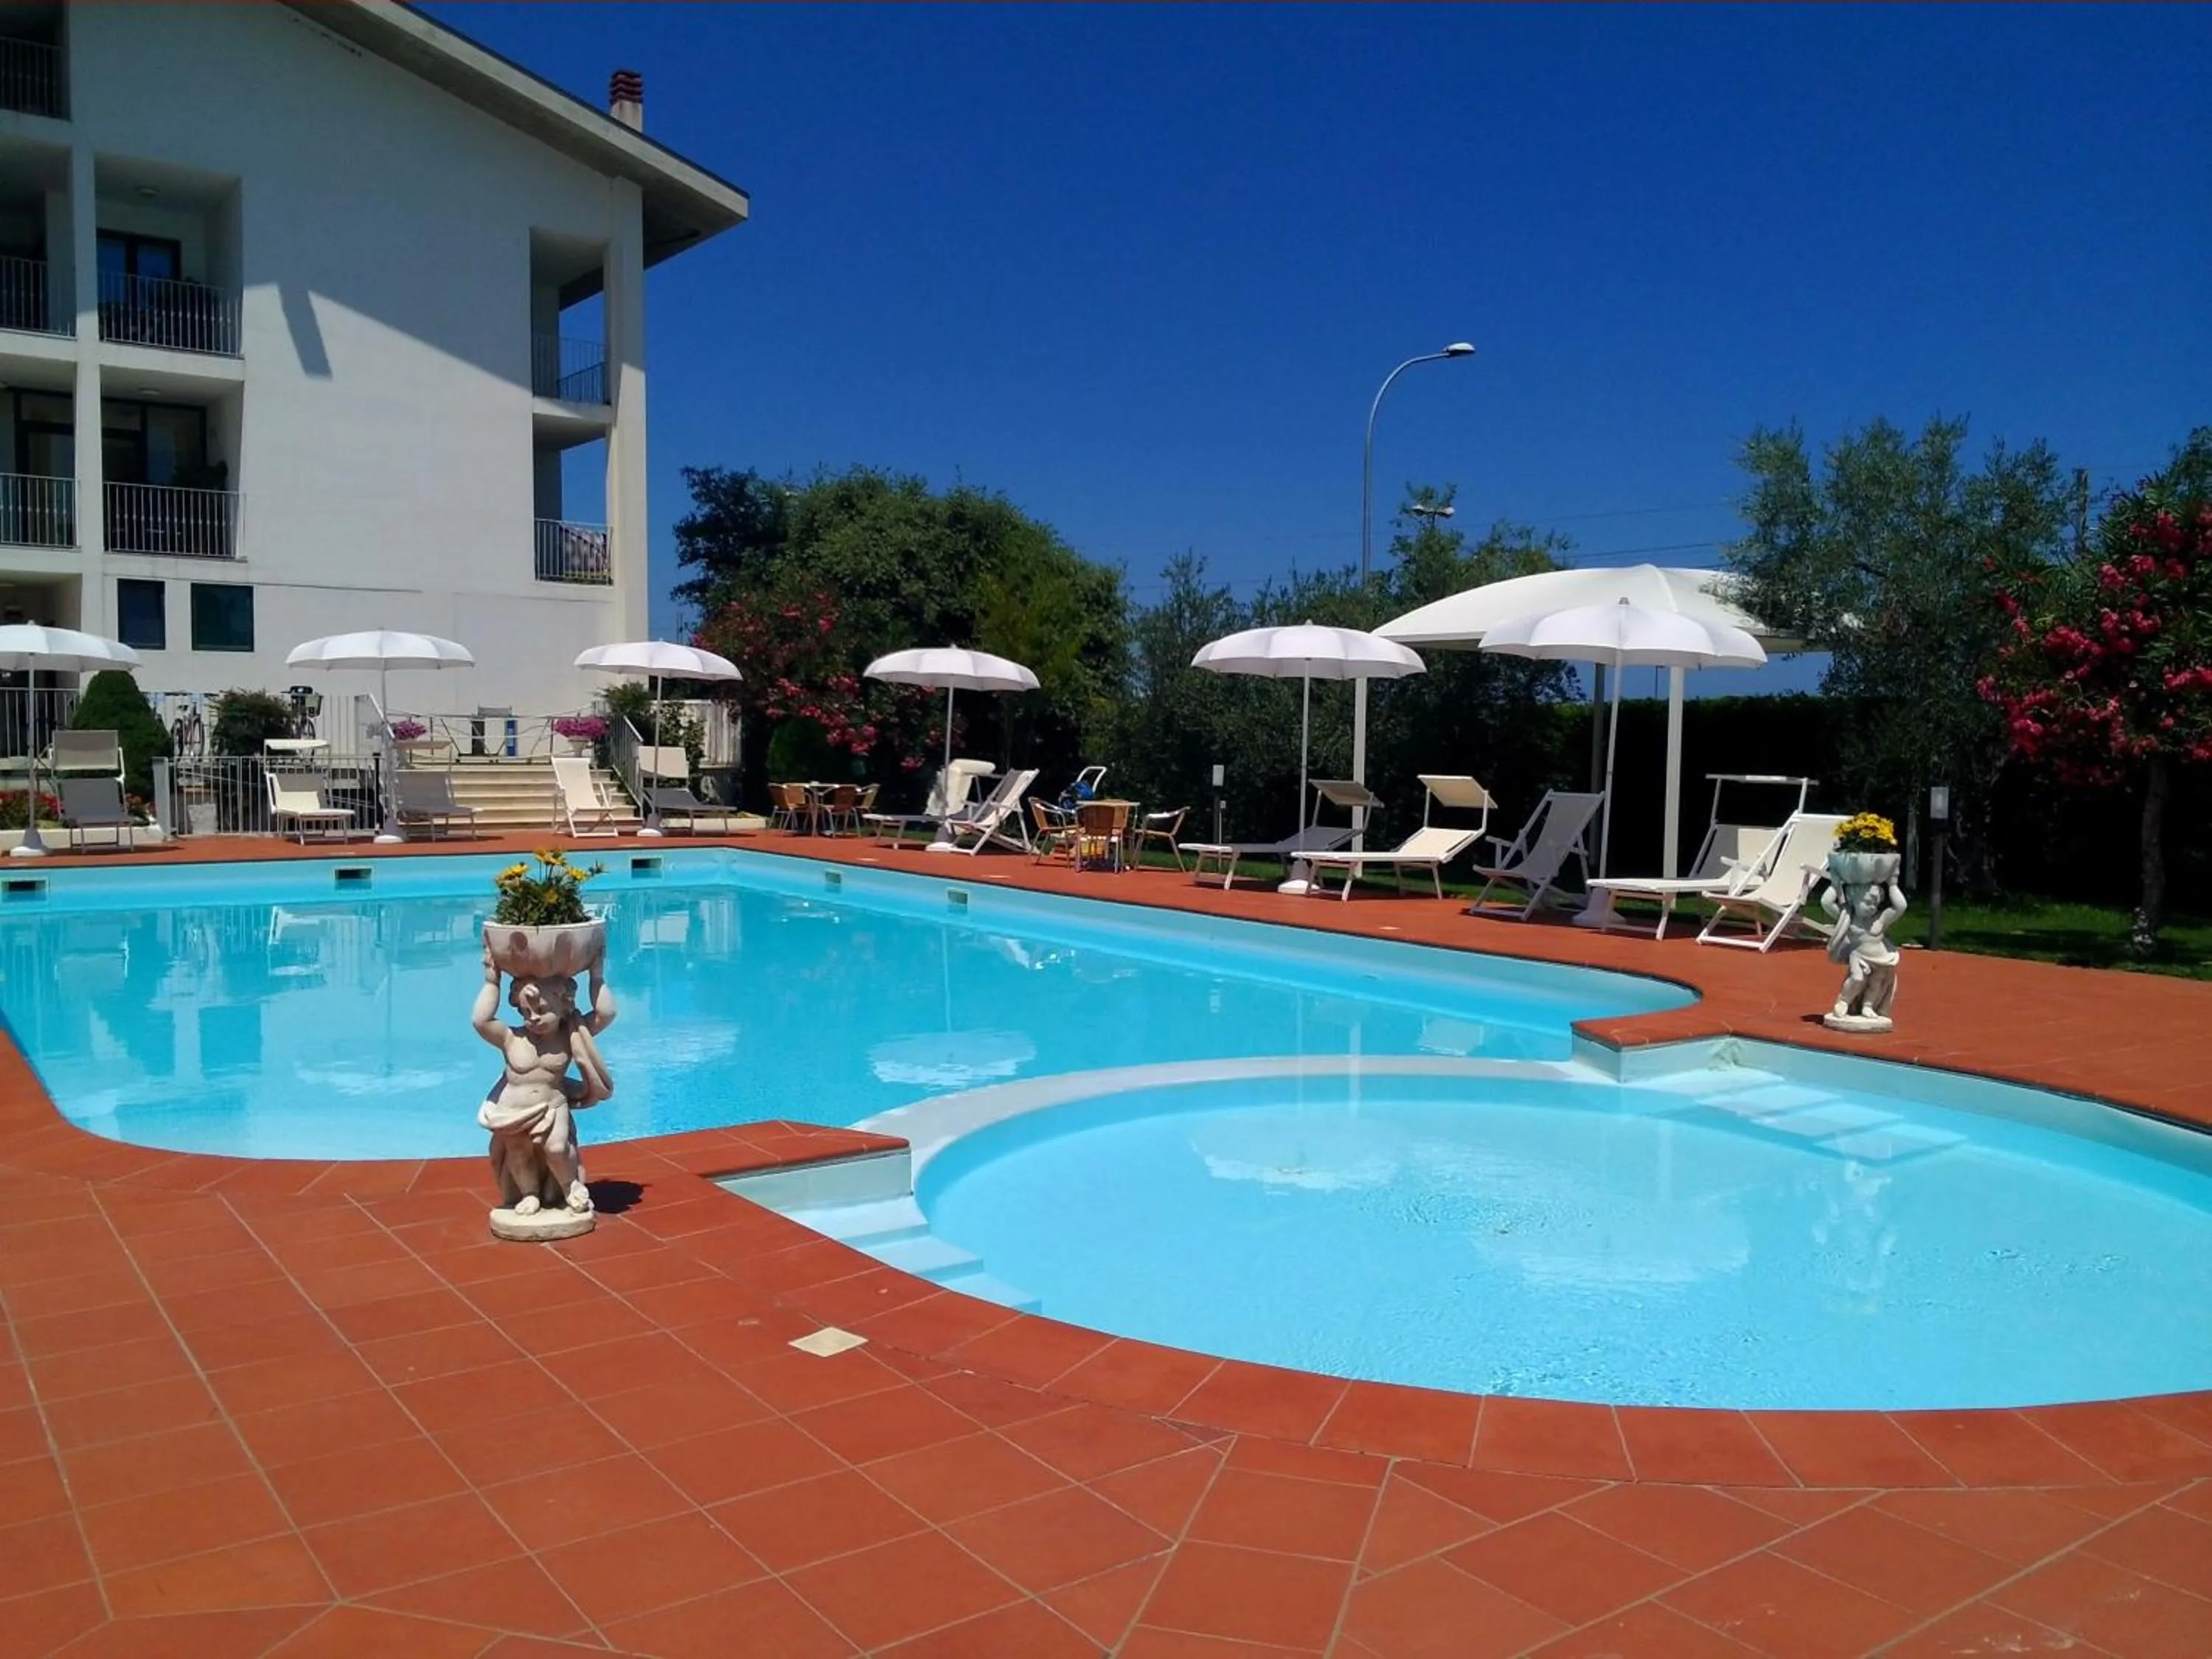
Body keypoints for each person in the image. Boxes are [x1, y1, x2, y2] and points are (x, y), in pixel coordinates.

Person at [472, 945, 615, 1215]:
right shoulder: (511, 1038)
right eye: (526, 1012)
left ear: (564, 1006)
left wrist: (597, 977)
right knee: (518, 1153)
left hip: (551, 1105)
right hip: (512, 1111)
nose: (533, 1018)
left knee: (557, 1147)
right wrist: (493, 980)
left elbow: (605, 1014)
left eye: (540, 1010)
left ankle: (570, 1185)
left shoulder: (569, 1035)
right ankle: (529, 1193)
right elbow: (481, 1021)